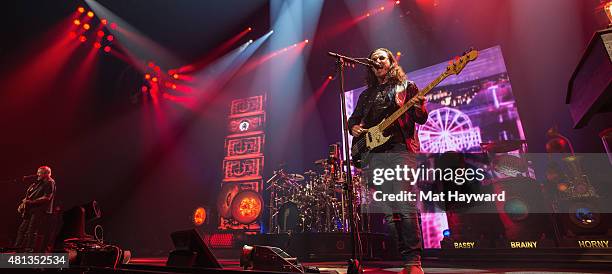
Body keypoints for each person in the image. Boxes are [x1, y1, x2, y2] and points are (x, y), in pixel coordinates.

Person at [348, 48, 427, 274]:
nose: (377, 60)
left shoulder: (406, 87)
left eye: (382, 57)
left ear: (391, 62)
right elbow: (353, 120)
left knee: (403, 204)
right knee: (390, 211)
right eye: (373, 58)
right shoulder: (366, 95)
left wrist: (420, 107)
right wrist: (353, 127)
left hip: (400, 150)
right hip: (375, 155)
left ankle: (414, 261)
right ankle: (405, 259)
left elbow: (420, 118)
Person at [15, 166, 56, 252]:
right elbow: (32, 195)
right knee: (22, 229)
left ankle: (29, 249)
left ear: (46, 174)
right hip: (32, 209)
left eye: (39, 172)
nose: (37, 174)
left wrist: (30, 202)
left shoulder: (50, 182)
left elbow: (46, 198)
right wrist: (24, 204)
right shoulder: (39, 182)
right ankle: (17, 247)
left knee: (31, 230)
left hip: (39, 210)